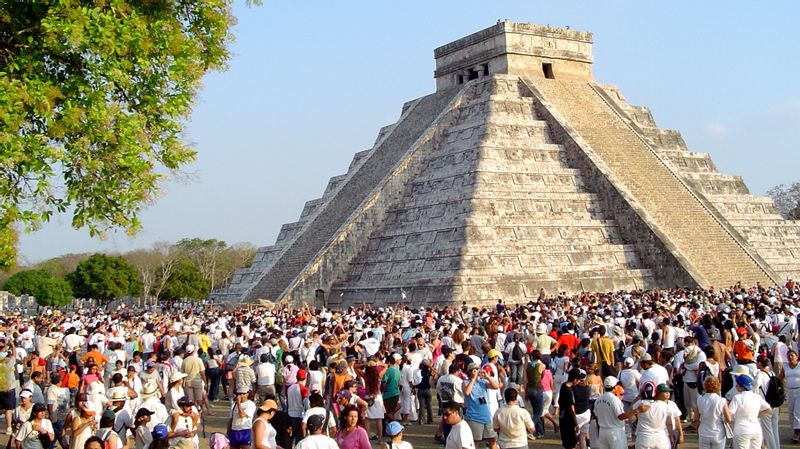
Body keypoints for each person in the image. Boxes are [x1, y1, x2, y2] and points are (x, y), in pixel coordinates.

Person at [593, 376, 643, 449]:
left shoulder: (598, 400)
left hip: (602, 432)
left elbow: (597, 417)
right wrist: (636, 410)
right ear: (615, 387)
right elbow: (621, 416)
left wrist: (599, 431)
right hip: (614, 432)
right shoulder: (614, 400)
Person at [728, 375, 771, 449]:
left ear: (742, 386)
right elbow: (768, 409)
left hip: (741, 431)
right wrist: (756, 415)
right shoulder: (757, 396)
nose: (736, 386)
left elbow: (730, 414)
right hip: (756, 430)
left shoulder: (737, 398)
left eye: (737, 384)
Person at [463, 362, 499, 449]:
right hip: (473, 417)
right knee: (476, 441)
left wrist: (487, 377)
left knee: (492, 439)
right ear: (469, 371)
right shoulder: (465, 382)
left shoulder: (482, 381)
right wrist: (473, 379)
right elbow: (467, 392)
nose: (477, 372)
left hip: (486, 416)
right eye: (474, 370)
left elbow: (496, 386)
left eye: (477, 369)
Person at [692, 376, 731, 449]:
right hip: (718, 433)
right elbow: (728, 419)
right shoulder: (722, 400)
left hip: (703, 432)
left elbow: (696, 418)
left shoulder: (699, 399)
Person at [632, 383, 674, 449]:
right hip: (661, 438)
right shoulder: (664, 405)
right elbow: (669, 424)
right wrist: (671, 437)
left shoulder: (639, 404)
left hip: (644, 438)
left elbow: (632, 418)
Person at [753, 355, 779, 449]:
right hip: (775, 403)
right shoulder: (772, 373)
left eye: (757, 362)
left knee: (768, 431)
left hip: (765, 405)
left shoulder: (760, 374)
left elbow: (756, 385)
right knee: (774, 430)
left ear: (759, 363)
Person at [782, 349, 800, 442]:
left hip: (799, 390)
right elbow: (780, 378)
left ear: (797, 357)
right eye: (788, 355)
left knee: (797, 413)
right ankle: (796, 431)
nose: (790, 357)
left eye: (792, 355)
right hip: (790, 391)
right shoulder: (785, 366)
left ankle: (797, 434)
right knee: (791, 413)